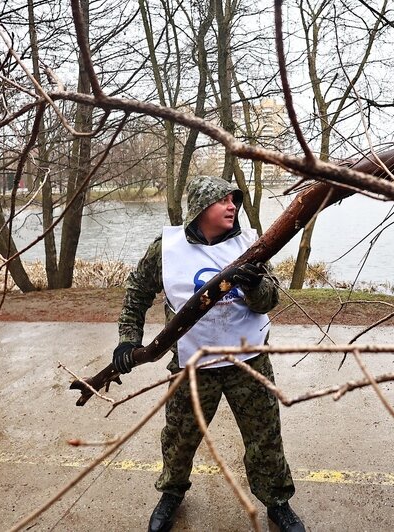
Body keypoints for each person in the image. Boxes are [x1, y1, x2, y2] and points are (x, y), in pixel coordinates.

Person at [112, 175, 305, 532]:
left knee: (265, 436)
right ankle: (171, 493)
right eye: (224, 200)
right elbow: (137, 290)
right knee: (180, 435)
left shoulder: (253, 246)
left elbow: (270, 301)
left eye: (235, 199)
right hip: (192, 363)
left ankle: (278, 501)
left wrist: (254, 285)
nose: (233, 205)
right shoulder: (166, 250)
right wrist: (128, 339)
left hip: (248, 361)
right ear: (202, 208)